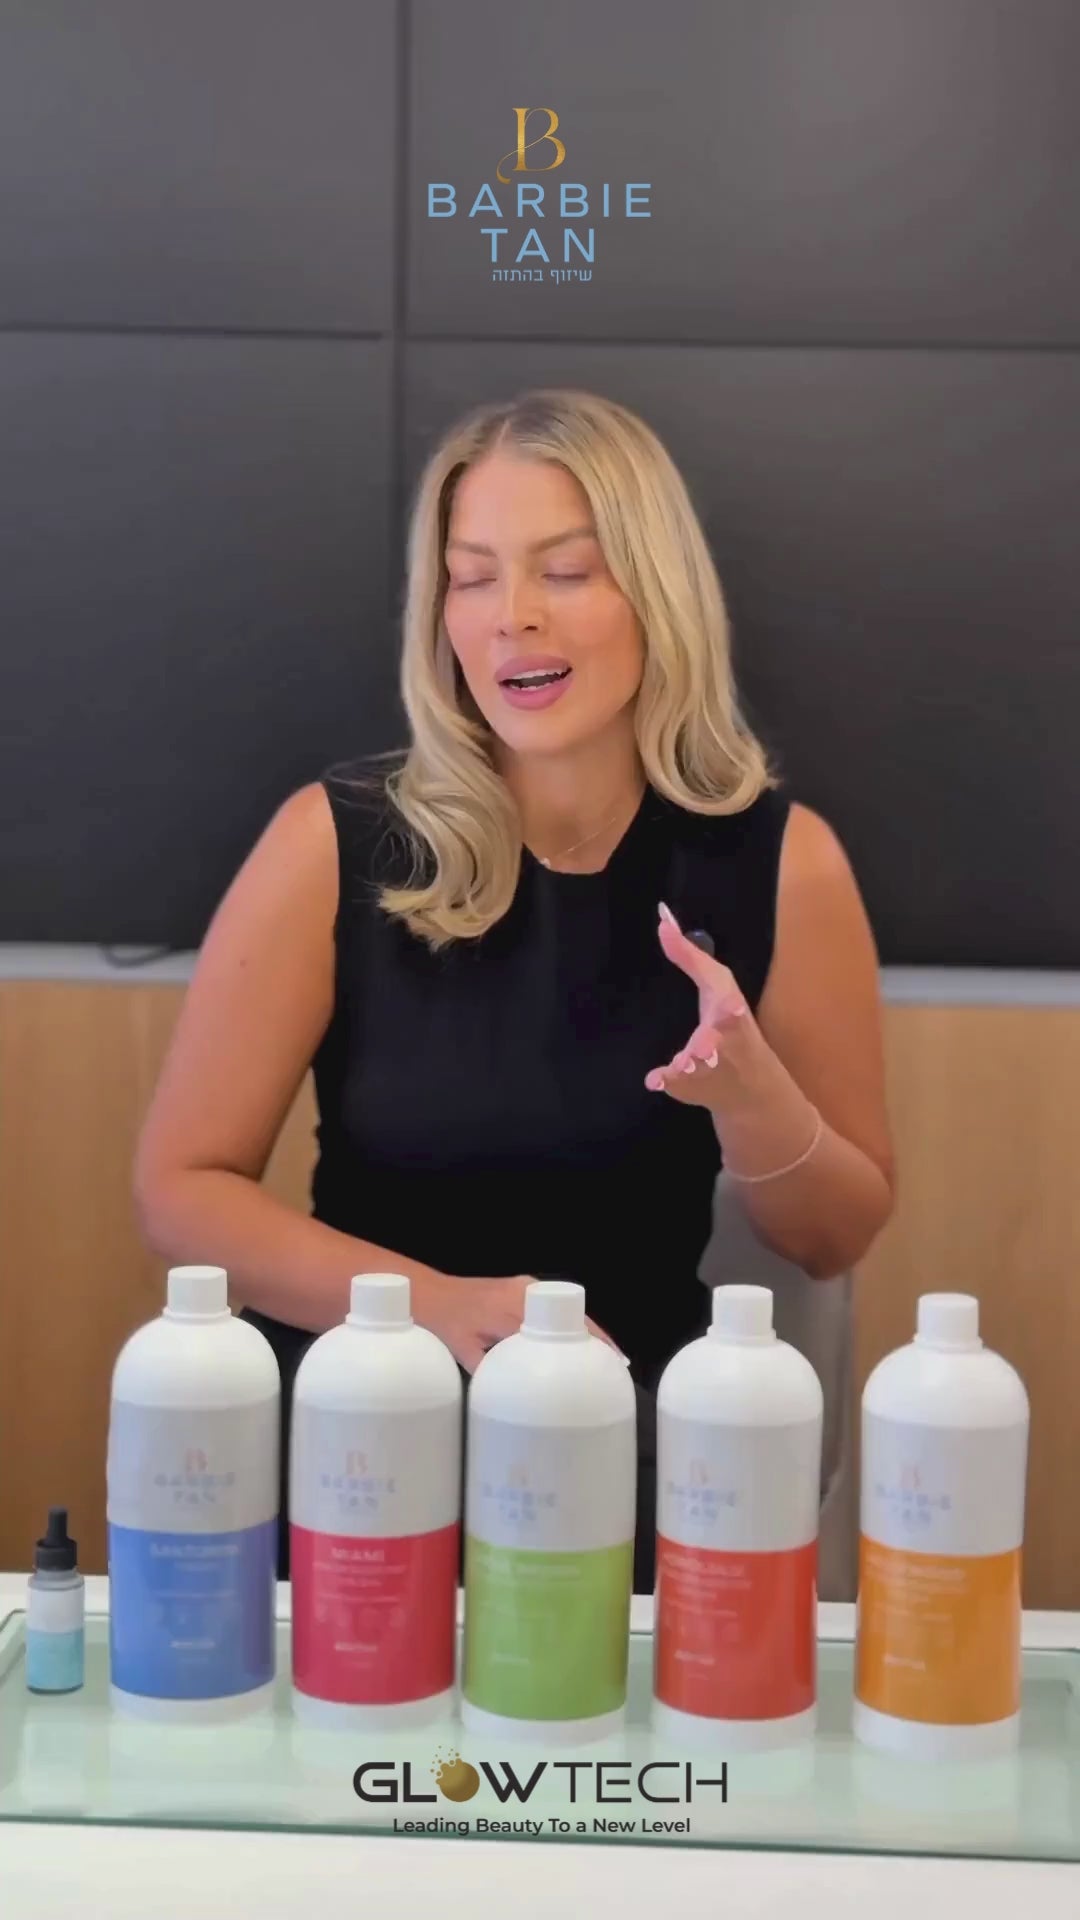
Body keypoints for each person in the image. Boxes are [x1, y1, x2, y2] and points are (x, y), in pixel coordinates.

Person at [133, 387, 895, 1591]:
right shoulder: (333, 843)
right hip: (362, 1449)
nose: (513, 617)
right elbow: (181, 1191)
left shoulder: (784, 864)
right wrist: (433, 1308)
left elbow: (833, 1233)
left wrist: (756, 1101)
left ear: (657, 592)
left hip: (637, 1465)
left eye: (567, 571)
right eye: (472, 578)